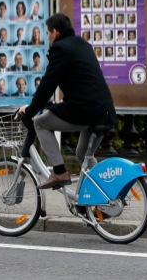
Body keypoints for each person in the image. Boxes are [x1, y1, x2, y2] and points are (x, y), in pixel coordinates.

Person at [18, 14, 116, 189]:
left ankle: (59, 172)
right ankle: (105, 194)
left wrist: (31, 110)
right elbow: (85, 80)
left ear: (55, 32)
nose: (48, 37)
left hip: (86, 109)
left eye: (48, 34)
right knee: (83, 155)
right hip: (104, 110)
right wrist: (66, 100)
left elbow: (48, 84)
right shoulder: (82, 44)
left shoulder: (60, 49)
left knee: (40, 123)